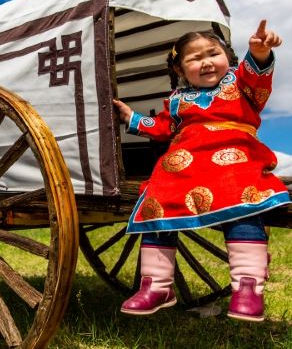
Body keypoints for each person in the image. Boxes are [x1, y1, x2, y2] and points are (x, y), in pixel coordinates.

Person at [113, 20, 290, 322]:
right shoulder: (177, 101)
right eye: (195, 58)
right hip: (183, 165)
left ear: (228, 58)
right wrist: (133, 118)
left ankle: (248, 286)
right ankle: (156, 285)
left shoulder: (241, 84)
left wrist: (259, 53)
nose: (206, 62)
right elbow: (165, 128)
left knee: (243, 200)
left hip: (234, 160)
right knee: (156, 200)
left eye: (213, 53)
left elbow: (258, 77)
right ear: (180, 70)